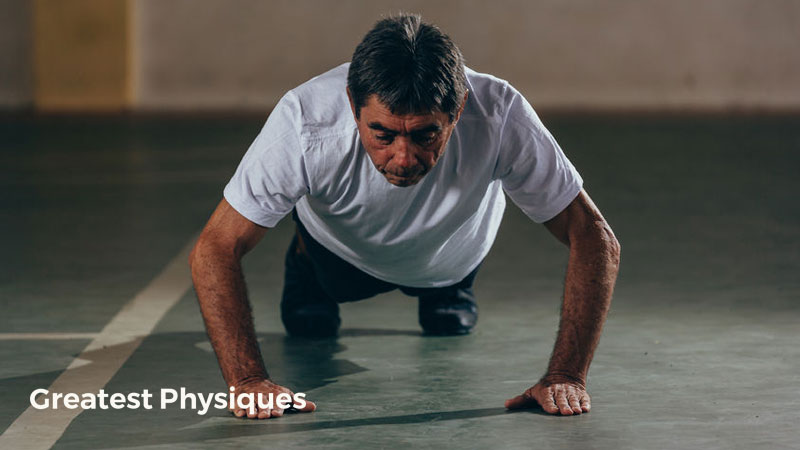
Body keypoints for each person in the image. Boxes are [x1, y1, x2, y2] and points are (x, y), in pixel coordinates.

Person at [189, 13, 620, 420]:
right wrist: (247, 381)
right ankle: (305, 262)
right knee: (309, 326)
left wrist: (567, 375)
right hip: (342, 254)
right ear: (351, 103)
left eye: (425, 134)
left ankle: (446, 292)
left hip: (453, 255)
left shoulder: (500, 113)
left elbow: (595, 235)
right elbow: (216, 246)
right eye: (383, 134)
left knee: (447, 325)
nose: (403, 158)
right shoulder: (305, 120)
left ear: (460, 108)